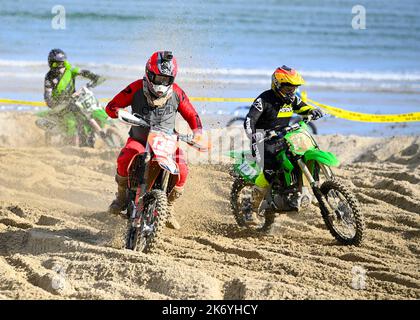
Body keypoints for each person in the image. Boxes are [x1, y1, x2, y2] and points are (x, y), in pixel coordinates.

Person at [105, 51, 203, 230]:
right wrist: (118, 112)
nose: (161, 83)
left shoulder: (177, 93)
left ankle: (169, 206)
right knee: (125, 158)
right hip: (139, 140)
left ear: (172, 79)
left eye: (166, 80)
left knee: (182, 168)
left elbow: (192, 114)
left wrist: (197, 132)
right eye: (158, 78)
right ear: (149, 74)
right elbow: (111, 106)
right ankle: (121, 197)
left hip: (167, 142)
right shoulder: (135, 87)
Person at [244, 65, 324, 233]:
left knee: (301, 156)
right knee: (270, 171)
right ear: (277, 84)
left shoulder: (292, 99)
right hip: (262, 140)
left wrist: (313, 110)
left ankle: (304, 189)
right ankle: (249, 207)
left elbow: (303, 107)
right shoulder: (264, 100)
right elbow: (249, 120)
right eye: (288, 87)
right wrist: (254, 135)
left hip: (283, 137)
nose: (291, 91)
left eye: (294, 87)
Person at [43, 48, 104, 145]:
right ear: (50, 63)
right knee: (75, 120)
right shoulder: (49, 77)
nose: (59, 67)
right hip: (59, 105)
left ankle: (97, 135)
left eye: (62, 64)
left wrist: (93, 77)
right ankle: (78, 143)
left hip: (74, 100)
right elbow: (47, 95)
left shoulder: (70, 70)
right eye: (56, 64)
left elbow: (83, 72)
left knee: (86, 114)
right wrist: (54, 103)